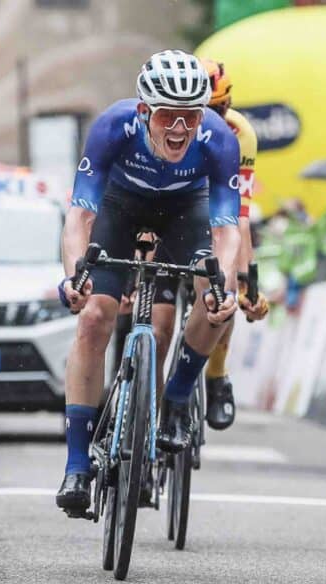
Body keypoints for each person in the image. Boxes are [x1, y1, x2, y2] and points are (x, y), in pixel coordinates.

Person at [55, 50, 240, 513]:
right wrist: (74, 276)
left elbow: (226, 230)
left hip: (186, 211)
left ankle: (177, 395)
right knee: (95, 316)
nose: (180, 130)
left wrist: (225, 286)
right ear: (144, 112)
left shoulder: (218, 140)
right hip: (122, 206)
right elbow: (80, 213)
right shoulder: (113, 127)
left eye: (190, 118)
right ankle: (77, 464)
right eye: (167, 117)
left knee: (213, 299)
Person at [150, 58, 269, 431]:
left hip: (211, 220)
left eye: (218, 110)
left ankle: (215, 376)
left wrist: (251, 282)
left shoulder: (239, 134)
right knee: (159, 329)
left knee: (225, 289)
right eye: (203, 111)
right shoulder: (165, 126)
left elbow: (240, 216)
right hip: (165, 215)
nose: (211, 121)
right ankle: (141, 415)